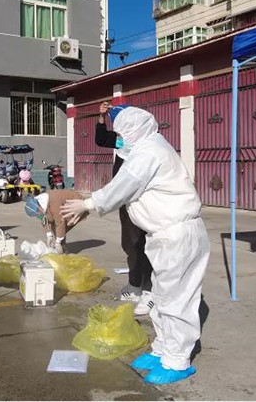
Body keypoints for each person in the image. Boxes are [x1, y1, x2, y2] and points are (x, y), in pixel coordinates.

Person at [61, 106, 209, 385]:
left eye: (121, 135)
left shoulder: (149, 151)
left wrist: (88, 204)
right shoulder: (148, 147)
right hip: (163, 235)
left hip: (178, 234)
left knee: (178, 299)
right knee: (161, 296)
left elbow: (125, 184)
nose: (119, 140)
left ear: (133, 131)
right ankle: (162, 349)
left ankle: (178, 360)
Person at [95, 101, 153, 315]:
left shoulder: (149, 146)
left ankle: (151, 292)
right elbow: (101, 139)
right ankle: (135, 284)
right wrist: (102, 117)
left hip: (146, 203)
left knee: (148, 246)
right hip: (126, 202)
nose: (119, 134)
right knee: (131, 244)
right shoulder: (122, 141)